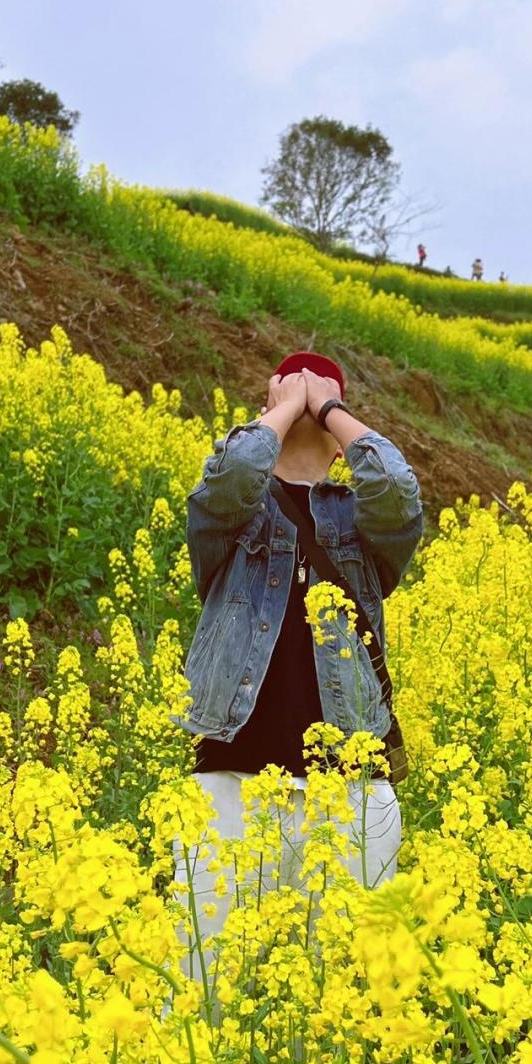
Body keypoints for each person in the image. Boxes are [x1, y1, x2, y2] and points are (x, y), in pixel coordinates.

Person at [177, 351, 423, 990]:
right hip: (230, 782)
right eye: (296, 390)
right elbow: (232, 472)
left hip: (352, 793)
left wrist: (331, 411)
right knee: (201, 995)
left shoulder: (363, 523)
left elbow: (397, 486)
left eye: (320, 396)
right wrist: (285, 410)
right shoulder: (232, 517)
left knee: (340, 1008)